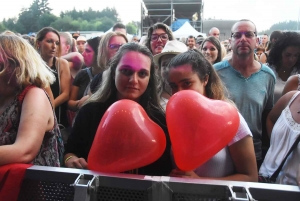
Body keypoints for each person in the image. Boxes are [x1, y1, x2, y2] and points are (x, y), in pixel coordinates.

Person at [64, 43, 172, 176]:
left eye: (142, 74)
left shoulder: (159, 119)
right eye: (126, 71)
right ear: (114, 71)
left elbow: (166, 168)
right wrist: (71, 159)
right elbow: (70, 151)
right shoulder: (90, 111)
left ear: (150, 79)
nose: (133, 80)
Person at [166, 50, 257, 182]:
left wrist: (201, 182)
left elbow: (251, 177)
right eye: (173, 86)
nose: (179, 92)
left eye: (187, 84)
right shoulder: (174, 119)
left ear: (205, 80)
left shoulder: (230, 119)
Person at [214, 19, 275, 169]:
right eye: (237, 35)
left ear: (256, 40)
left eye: (248, 34)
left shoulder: (268, 76)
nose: (243, 39)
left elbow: (267, 117)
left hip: (255, 154)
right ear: (230, 41)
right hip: (221, 153)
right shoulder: (215, 73)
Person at [0, 32, 63, 167]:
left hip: (34, 185)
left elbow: (25, 151)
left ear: (16, 66)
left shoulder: (34, 95)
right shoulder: (3, 96)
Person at [259, 90, 300, 185]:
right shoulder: (291, 97)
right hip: (265, 179)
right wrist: (275, 145)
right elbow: (271, 119)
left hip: (293, 190)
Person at [35, 27, 71, 128]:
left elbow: (65, 94)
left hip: (58, 117)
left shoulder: (62, 64)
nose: (54, 46)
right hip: (36, 116)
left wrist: (48, 108)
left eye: (57, 43)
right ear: (39, 43)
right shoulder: (32, 65)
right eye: (49, 41)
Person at [68, 36, 102, 112]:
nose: (83, 54)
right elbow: (70, 102)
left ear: (99, 53)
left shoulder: (109, 76)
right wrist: (79, 103)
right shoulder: (82, 74)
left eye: (88, 51)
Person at [266, 32, 300, 103]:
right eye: (287, 55)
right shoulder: (266, 71)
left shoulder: (297, 73)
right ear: (279, 53)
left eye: (296, 55)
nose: (291, 59)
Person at [153, 40, 187, 110]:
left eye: (175, 64)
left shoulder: (195, 93)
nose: (169, 70)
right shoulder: (153, 99)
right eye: (165, 65)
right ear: (159, 69)